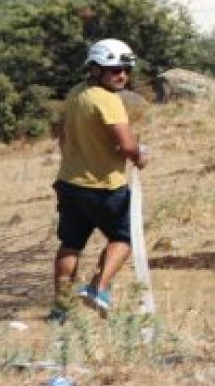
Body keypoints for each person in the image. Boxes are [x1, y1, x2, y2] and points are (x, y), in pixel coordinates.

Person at [49, 38, 149, 323]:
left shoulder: (76, 94)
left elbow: (64, 135)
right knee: (123, 238)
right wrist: (139, 157)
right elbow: (127, 144)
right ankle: (98, 288)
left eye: (125, 70)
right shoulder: (108, 101)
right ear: (95, 69)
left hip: (70, 182)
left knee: (70, 244)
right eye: (114, 69)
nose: (122, 76)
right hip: (104, 186)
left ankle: (60, 309)